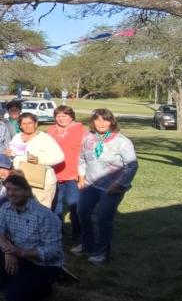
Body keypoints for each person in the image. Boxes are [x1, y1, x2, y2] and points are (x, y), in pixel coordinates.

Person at [0, 174, 63, 301]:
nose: (11, 193)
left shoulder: (44, 215)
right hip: (19, 257)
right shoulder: (6, 207)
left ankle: (43, 288)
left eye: (16, 189)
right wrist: (8, 250)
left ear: (26, 191)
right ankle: (5, 283)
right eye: (8, 189)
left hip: (43, 265)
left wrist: (20, 252)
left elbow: (53, 252)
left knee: (13, 297)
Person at [74, 108, 138, 265]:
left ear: (111, 122)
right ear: (93, 122)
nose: (101, 123)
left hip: (112, 187)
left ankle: (102, 252)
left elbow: (132, 166)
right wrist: (81, 176)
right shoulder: (88, 137)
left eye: (105, 120)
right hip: (90, 183)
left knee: (103, 218)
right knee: (82, 212)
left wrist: (118, 184)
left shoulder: (122, 141)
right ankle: (87, 245)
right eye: (98, 120)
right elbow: (82, 158)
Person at [5, 113, 64, 208]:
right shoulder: (17, 137)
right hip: (21, 182)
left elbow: (60, 157)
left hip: (41, 183)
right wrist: (10, 154)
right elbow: (16, 155)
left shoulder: (45, 138)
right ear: (20, 125)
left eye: (30, 123)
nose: (27, 126)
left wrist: (39, 160)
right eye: (24, 123)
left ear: (36, 124)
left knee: (40, 211)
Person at [47, 105, 85, 240]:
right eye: (58, 116)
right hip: (54, 174)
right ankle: (59, 232)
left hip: (73, 175)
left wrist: (82, 176)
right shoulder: (50, 130)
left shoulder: (81, 130)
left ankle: (78, 233)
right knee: (56, 205)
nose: (61, 119)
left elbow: (85, 154)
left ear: (71, 117)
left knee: (74, 204)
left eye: (64, 116)